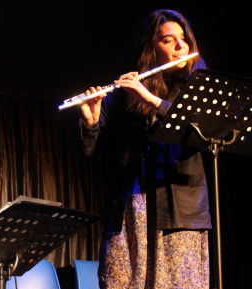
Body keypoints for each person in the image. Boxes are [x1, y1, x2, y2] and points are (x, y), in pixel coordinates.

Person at [70, 9, 211, 288]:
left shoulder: (197, 89)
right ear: (151, 49)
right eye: (168, 40)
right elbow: (84, 152)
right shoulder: (124, 95)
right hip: (128, 213)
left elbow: (201, 136)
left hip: (179, 215)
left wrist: (151, 100)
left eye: (183, 39)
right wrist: (90, 122)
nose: (181, 46)